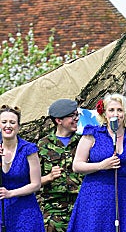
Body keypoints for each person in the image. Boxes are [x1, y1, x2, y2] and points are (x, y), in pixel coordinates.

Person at [67, 93, 126, 232]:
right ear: (104, 114)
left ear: (125, 113)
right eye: (111, 110)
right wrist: (101, 165)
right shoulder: (92, 133)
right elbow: (77, 165)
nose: (116, 114)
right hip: (97, 194)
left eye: (120, 110)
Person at [37, 99, 83, 232]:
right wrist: (49, 177)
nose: (76, 119)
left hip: (81, 206)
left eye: (77, 115)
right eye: (72, 116)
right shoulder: (43, 145)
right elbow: (32, 182)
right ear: (59, 120)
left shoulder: (84, 141)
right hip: (55, 211)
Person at [0, 104, 45, 231]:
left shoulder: (28, 149)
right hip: (2, 211)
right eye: (4, 122)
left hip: (25, 211)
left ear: (18, 127)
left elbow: (36, 184)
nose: (8, 125)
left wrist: (11, 193)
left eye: (12, 122)